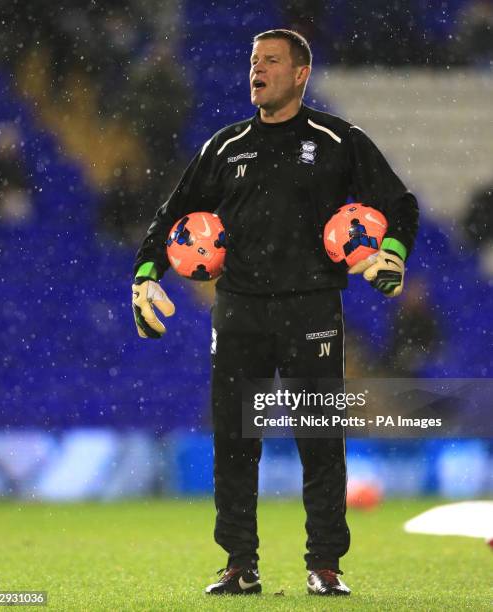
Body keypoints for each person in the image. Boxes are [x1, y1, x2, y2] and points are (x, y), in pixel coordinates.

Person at [132, 29, 419, 596]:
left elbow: (400, 205)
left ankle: (326, 565)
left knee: (320, 440)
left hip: (311, 308)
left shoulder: (337, 139)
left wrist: (394, 253)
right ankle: (240, 564)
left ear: (301, 73)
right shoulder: (225, 145)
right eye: (252, 61)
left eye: (271, 61)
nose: (256, 70)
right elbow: (172, 215)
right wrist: (145, 276)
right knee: (235, 443)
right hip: (238, 310)